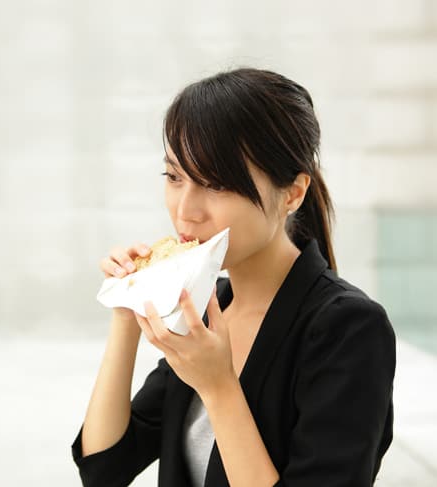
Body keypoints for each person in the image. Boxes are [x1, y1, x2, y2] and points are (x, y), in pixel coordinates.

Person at [71, 68, 396, 486]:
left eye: (216, 184)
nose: (185, 210)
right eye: (174, 177)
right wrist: (125, 312)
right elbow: (103, 467)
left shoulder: (348, 328)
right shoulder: (208, 306)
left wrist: (219, 386)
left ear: (293, 194)